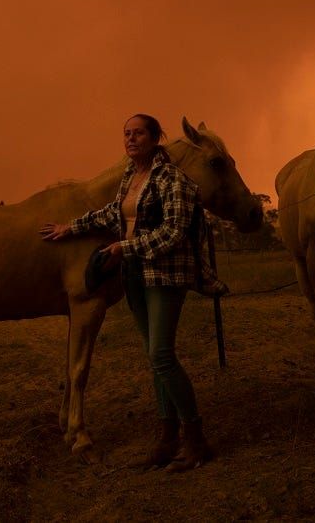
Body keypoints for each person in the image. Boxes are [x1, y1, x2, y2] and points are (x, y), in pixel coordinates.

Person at [39, 113, 213, 472]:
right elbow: (110, 215)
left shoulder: (171, 178)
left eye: (138, 134)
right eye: (126, 134)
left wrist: (123, 248)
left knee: (162, 354)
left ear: (155, 138)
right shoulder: (131, 178)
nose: (131, 140)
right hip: (136, 274)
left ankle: (195, 440)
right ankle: (168, 439)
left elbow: (174, 233)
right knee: (154, 358)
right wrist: (69, 226)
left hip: (165, 274)